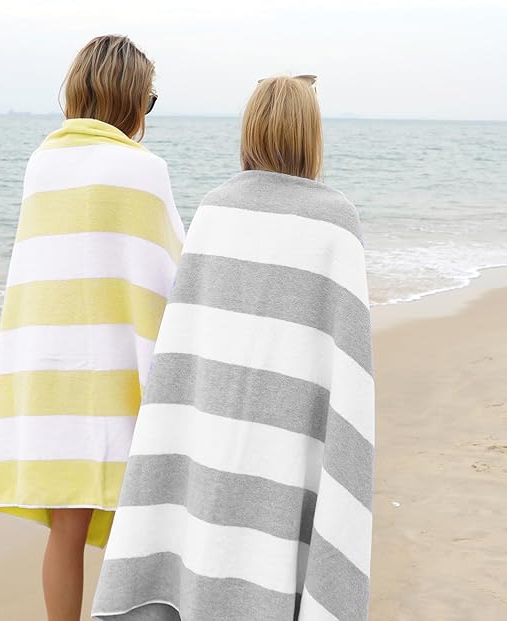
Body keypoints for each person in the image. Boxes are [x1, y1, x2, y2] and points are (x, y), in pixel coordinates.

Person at [93, 75, 374, 621]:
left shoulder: (216, 209)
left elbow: (184, 358)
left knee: (208, 550)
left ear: (251, 131)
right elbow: (349, 371)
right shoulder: (336, 221)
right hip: (289, 444)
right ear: (311, 135)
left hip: (213, 438)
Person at [0, 34, 184, 621]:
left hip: (51, 372)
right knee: (139, 527)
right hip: (120, 371)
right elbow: (170, 273)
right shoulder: (144, 169)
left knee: (65, 533)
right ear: (132, 99)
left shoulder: (41, 165)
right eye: (148, 100)